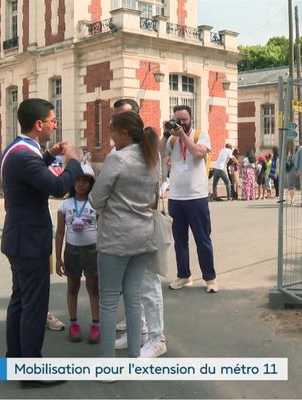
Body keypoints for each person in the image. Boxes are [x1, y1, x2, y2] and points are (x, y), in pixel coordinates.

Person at [1, 98, 82, 388]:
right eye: (51, 120)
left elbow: (32, 172)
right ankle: (32, 370)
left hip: (19, 238)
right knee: (34, 306)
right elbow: (59, 187)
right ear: (39, 125)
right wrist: (73, 161)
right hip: (30, 241)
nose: (55, 124)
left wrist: (50, 155)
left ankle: (16, 361)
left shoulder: (17, 148)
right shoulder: (25, 156)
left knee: (20, 302)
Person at [89, 112, 159, 359]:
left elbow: (96, 199)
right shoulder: (152, 156)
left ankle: (108, 363)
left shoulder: (116, 159)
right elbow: (154, 197)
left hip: (116, 238)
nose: (112, 139)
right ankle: (133, 356)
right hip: (144, 236)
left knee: (108, 300)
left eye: (114, 134)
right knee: (133, 297)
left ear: (124, 133)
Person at [112, 99, 167, 358]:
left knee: (147, 282)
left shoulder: (147, 154)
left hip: (141, 227)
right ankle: (141, 330)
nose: (113, 128)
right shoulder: (120, 154)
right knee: (131, 284)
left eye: (118, 122)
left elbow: (153, 196)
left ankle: (157, 337)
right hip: (124, 230)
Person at [165, 105, 218, 293]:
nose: (180, 123)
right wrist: (166, 134)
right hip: (176, 197)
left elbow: (197, 153)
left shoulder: (200, 135)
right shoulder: (171, 140)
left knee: (202, 239)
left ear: (191, 119)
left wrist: (183, 135)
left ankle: (210, 279)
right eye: (177, 119)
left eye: (184, 120)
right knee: (179, 240)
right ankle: (183, 276)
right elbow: (157, 154)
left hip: (197, 196)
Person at [55, 165, 100, 344]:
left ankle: (96, 325)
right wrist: (58, 258)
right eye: (77, 180)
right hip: (71, 251)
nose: (81, 184)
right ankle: (73, 324)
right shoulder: (64, 205)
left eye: (85, 181)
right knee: (73, 287)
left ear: (90, 184)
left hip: (92, 250)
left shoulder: (95, 203)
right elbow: (59, 233)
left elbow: (102, 228)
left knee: (93, 288)